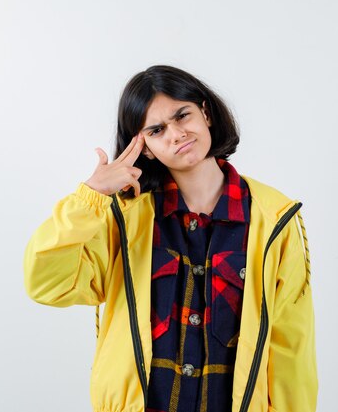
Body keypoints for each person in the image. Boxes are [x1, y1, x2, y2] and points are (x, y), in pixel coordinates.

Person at [23, 65, 317, 412]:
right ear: (144, 146)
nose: (176, 134)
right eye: (157, 129)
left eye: (183, 115)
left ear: (205, 113)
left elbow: (290, 346)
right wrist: (92, 196)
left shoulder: (273, 220)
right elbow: (46, 282)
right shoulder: (124, 218)